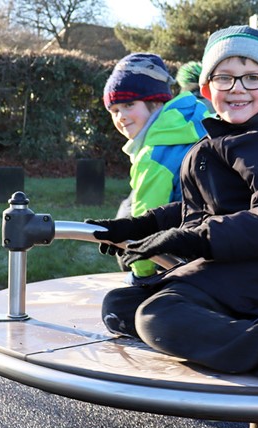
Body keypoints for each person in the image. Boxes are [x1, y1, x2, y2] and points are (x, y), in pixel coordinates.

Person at [87, 25, 258, 400]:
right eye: (224, 77)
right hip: (233, 263)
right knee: (122, 305)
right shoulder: (222, 140)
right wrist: (136, 225)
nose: (237, 88)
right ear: (207, 89)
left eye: (253, 77)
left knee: (157, 316)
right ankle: (218, 326)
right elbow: (199, 208)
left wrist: (188, 239)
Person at [102, 52, 210, 279]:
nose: (121, 117)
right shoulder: (195, 121)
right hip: (213, 242)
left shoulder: (153, 155)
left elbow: (144, 219)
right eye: (115, 110)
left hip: (183, 258)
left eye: (129, 105)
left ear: (156, 101)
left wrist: (141, 274)